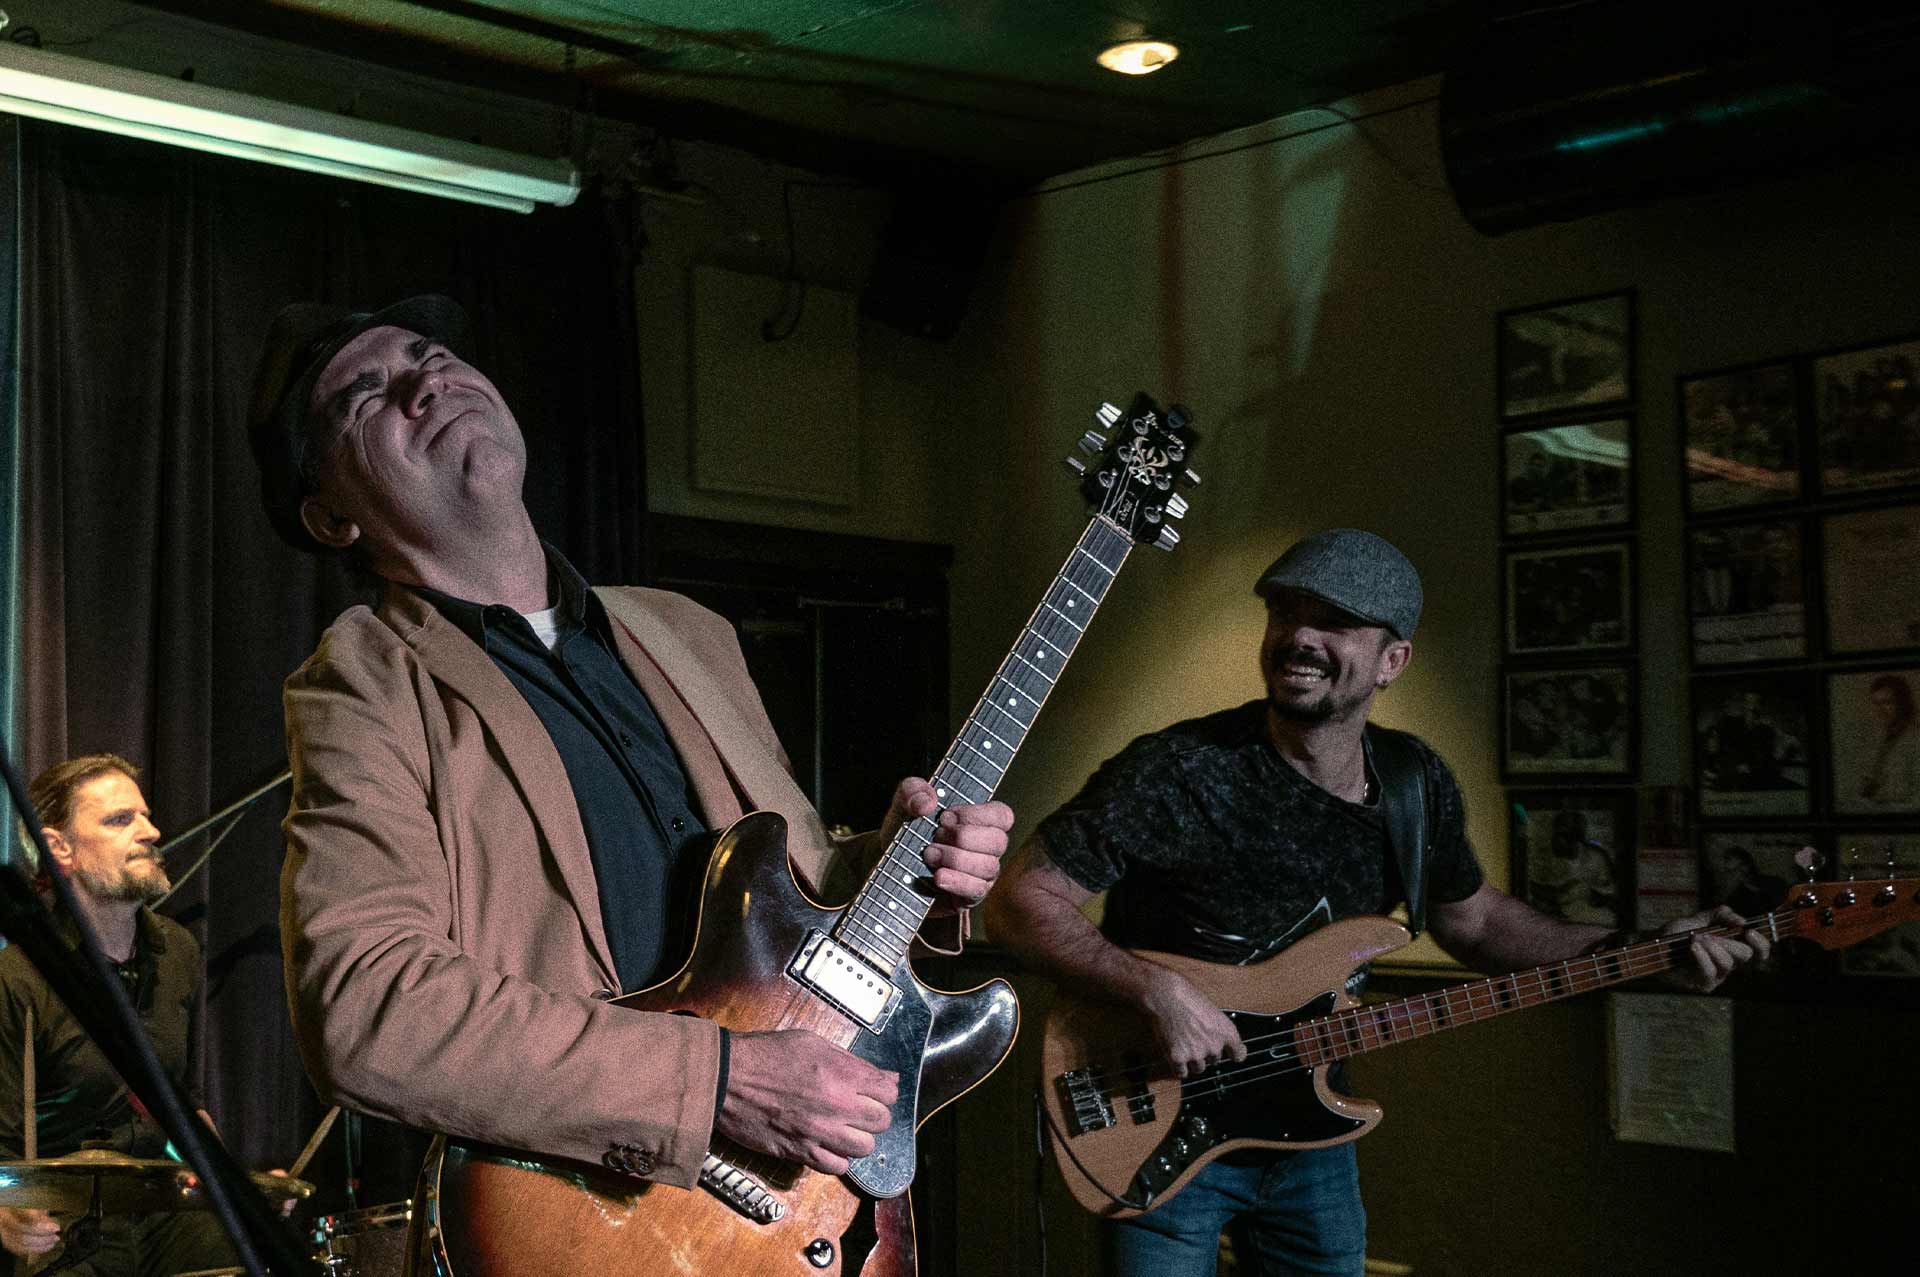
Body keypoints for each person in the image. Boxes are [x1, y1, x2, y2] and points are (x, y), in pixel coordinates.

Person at [247, 295, 1012, 1197]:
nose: (425, 380)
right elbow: (366, 1008)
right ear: (333, 516)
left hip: (792, 1204)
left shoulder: (687, 630)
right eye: (367, 394)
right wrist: (719, 1083)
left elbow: (787, 912)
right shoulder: (363, 680)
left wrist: (897, 867)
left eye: (431, 351)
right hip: (593, 1214)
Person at [984, 529, 1769, 1277]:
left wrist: (1649, 948)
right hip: (1151, 1121)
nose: (1299, 636)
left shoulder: (1413, 782)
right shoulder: (1179, 770)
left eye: (1333, 621)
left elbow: (1482, 922)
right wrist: (1159, 991)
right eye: (1285, 612)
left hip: (1313, 1144)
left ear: (1393, 659)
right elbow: (1022, 900)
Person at [0, 756, 244, 1276]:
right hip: (63, 1218)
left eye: (146, 817)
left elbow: (185, 1107)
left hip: (156, 1205)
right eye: (119, 820)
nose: (151, 832)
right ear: (58, 848)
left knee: (242, 1254)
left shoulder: (176, 952)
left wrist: (242, 1192)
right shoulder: (18, 975)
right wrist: (5, 1215)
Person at [1858, 673, 1920, 806]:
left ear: (1902, 704)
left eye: (1887, 702)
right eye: (1876, 703)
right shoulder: (1876, 741)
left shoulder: (1916, 741)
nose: (1880, 710)